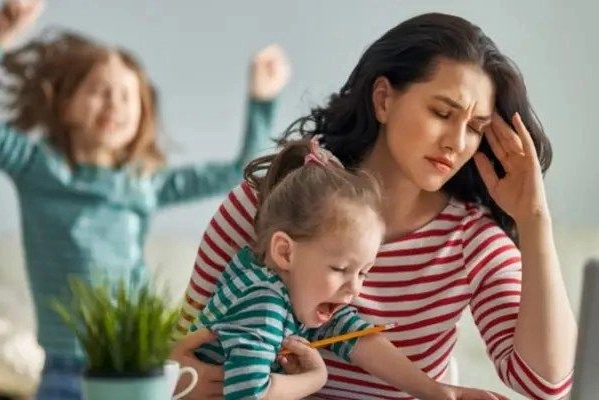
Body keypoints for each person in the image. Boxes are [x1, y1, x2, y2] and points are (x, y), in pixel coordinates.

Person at [171, 12, 576, 400]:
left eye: (475, 128)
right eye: (442, 112)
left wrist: (535, 219)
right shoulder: (271, 202)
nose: (456, 142)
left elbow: (546, 386)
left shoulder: (471, 241)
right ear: (383, 99)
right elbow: (178, 342)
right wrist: (181, 379)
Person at [0, 1, 289, 398]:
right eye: (99, 90)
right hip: (64, 367)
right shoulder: (34, 166)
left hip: (136, 363)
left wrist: (261, 101)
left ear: (141, 116)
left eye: (127, 96)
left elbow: (241, 172)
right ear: (65, 104)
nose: (114, 103)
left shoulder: (143, 184)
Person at [189, 137, 501, 400]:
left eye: (363, 272)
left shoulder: (289, 289)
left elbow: (354, 334)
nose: (355, 288)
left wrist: (440, 392)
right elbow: (249, 394)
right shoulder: (263, 305)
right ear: (285, 252)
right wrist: (315, 378)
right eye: (340, 268)